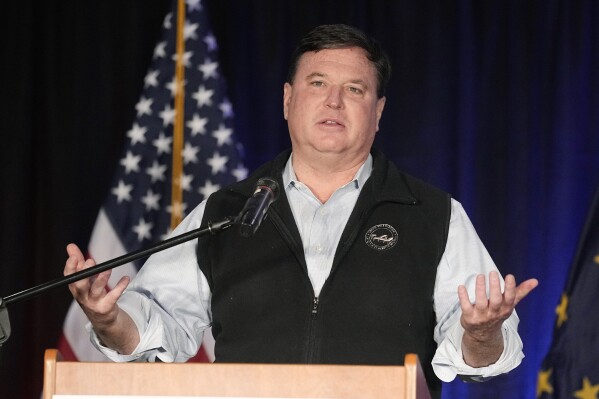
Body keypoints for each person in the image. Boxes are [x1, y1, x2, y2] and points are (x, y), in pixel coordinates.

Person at [64, 24, 538, 398]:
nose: (334, 100)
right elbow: (157, 327)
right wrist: (108, 320)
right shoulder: (225, 212)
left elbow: (483, 354)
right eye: (318, 83)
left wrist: (481, 332)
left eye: (355, 89)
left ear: (378, 112)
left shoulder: (434, 216)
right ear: (288, 101)